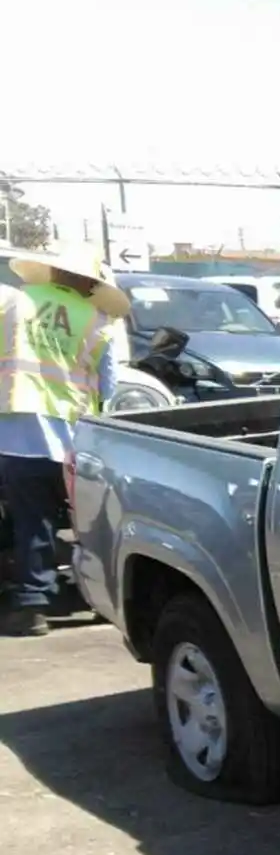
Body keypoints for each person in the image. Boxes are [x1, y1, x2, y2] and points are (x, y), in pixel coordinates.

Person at [0, 249, 126, 637]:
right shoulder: (100, 323)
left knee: (30, 519)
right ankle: (104, 601)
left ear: (53, 270)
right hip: (74, 438)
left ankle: (32, 605)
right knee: (89, 523)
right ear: (90, 284)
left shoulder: (14, 303)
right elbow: (109, 389)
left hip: (16, 433)